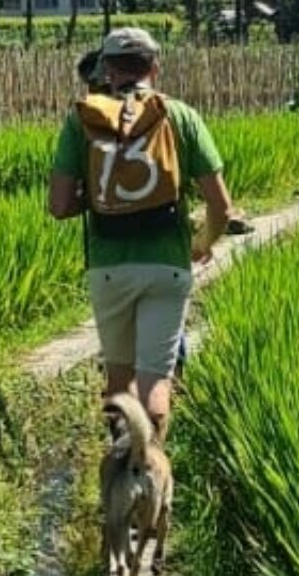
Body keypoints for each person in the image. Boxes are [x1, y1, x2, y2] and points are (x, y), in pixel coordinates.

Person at [49, 27, 231, 437]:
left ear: (107, 69)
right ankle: (150, 474)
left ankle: (121, 466)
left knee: (119, 381)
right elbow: (221, 206)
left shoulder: (82, 118)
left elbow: (59, 206)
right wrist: (202, 244)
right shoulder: (179, 115)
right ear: (155, 67)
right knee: (155, 382)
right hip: (168, 266)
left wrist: (96, 201)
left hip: (108, 266)